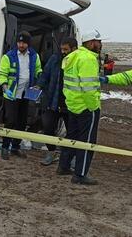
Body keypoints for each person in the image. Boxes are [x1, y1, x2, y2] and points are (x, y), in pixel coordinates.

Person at [59, 29, 102, 185]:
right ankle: (80, 174)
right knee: (87, 142)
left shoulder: (73, 57)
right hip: (85, 108)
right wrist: (93, 107)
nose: (100, 44)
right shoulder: (88, 59)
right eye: (99, 42)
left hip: (73, 105)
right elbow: (88, 88)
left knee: (72, 137)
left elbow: (69, 84)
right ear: (91, 43)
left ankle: (63, 166)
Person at [0, 31, 42, 160]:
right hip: (12, 94)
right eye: (19, 42)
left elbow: (38, 69)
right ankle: (5, 147)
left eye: (24, 42)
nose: (21, 45)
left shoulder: (34, 56)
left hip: (26, 94)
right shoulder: (9, 56)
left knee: (22, 122)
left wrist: (39, 79)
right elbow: (1, 74)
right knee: (10, 121)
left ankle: (15, 147)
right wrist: (5, 87)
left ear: (28, 43)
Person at [35, 37, 78, 166]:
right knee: (48, 128)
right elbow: (45, 75)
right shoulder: (55, 59)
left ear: (74, 49)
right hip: (52, 102)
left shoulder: (79, 61)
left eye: (66, 49)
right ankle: (51, 152)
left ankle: (71, 158)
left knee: (73, 132)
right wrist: (38, 86)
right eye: (62, 49)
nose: (63, 52)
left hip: (70, 104)